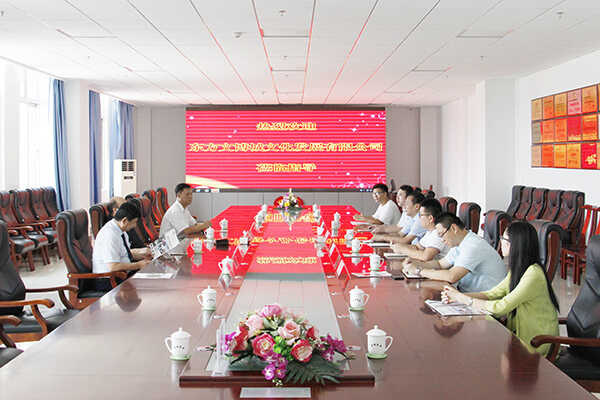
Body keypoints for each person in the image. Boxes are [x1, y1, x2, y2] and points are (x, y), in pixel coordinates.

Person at [441, 221, 559, 355]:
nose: (500, 241)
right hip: (519, 337)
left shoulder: (534, 273)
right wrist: (456, 296)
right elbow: (492, 293)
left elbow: (501, 307)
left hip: (536, 343)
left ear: (514, 244)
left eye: (503, 238)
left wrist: (464, 299)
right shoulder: (520, 269)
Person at [402, 212, 506, 292]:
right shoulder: (460, 242)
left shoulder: (473, 245)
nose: (442, 240)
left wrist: (418, 271)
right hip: (466, 294)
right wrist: (415, 263)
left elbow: (452, 276)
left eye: (441, 234)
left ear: (453, 228)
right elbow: (440, 264)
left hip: (483, 301)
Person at [92, 202, 152, 289]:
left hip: (122, 274)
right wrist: (138, 265)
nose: (135, 226)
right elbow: (113, 266)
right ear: (124, 221)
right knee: (148, 286)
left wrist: (143, 256)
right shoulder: (110, 235)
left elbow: (124, 254)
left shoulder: (120, 230)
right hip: (109, 280)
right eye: (134, 222)